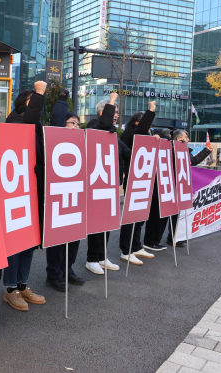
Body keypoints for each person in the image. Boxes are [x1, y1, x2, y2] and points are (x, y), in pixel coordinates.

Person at [1, 81, 48, 311]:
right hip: (17, 191)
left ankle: (23, 284)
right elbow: (28, 123)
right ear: (23, 104)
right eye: (34, 101)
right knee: (16, 242)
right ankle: (10, 289)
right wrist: (39, 92)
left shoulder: (37, 124)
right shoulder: (16, 120)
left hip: (34, 190)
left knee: (30, 241)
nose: (38, 106)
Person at [84, 93, 132, 275]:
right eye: (112, 110)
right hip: (97, 185)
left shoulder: (113, 134)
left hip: (111, 186)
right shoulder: (95, 127)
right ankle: (91, 259)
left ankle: (102, 256)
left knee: (107, 223)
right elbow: (104, 125)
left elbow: (126, 152)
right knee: (96, 225)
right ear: (102, 112)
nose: (116, 114)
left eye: (117, 111)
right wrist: (111, 100)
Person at [44, 89, 86, 292]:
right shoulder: (54, 140)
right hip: (58, 198)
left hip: (76, 197)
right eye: (72, 123)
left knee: (74, 237)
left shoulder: (82, 144)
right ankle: (54, 274)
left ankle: (67, 269)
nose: (76, 127)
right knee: (58, 240)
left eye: (78, 124)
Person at [118, 102, 160, 266]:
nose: (150, 127)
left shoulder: (144, 134)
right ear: (137, 123)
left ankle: (136, 246)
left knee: (141, 215)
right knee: (131, 216)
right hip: (134, 178)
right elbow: (141, 131)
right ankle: (125, 250)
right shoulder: (129, 135)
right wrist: (150, 111)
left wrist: (154, 140)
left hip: (145, 179)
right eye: (147, 123)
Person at [163, 129, 213, 246]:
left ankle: (175, 236)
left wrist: (206, 151)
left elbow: (192, 161)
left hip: (181, 184)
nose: (188, 139)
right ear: (179, 139)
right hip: (172, 185)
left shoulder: (185, 150)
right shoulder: (171, 149)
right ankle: (170, 237)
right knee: (171, 213)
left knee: (179, 213)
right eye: (186, 137)